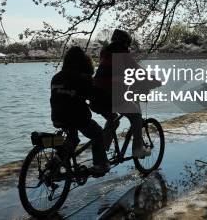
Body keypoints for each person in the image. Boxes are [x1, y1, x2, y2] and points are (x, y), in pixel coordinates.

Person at [50, 46, 110, 176]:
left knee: (72, 140)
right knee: (97, 133)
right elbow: (95, 95)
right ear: (82, 61)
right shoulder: (82, 78)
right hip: (77, 117)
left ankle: (57, 160)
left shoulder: (56, 77)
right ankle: (100, 164)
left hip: (58, 117)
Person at [92, 29, 151, 158]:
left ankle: (103, 149)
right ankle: (137, 149)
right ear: (125, 43)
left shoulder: (105, 54)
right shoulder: (122, 55)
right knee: (136, 116)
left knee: (113, 119)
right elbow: (138, 71)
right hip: (111, 97)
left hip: (96, 97)